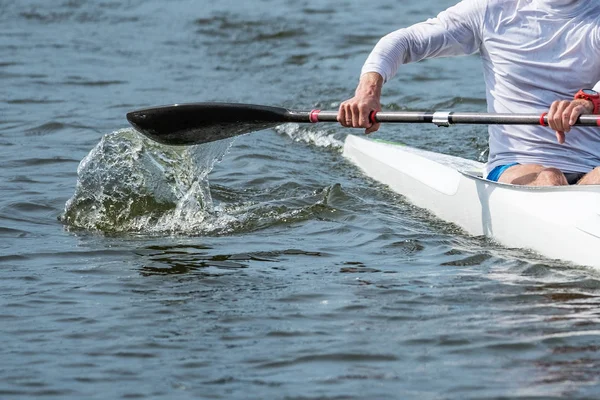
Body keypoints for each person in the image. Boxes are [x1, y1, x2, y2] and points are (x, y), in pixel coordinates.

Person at [337, 0, 600, 186]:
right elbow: (405, 41)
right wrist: (368, 91)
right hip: (518, 166)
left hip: (592, 165)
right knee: (551, 179)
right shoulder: (491, 9)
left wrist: (587, 103)